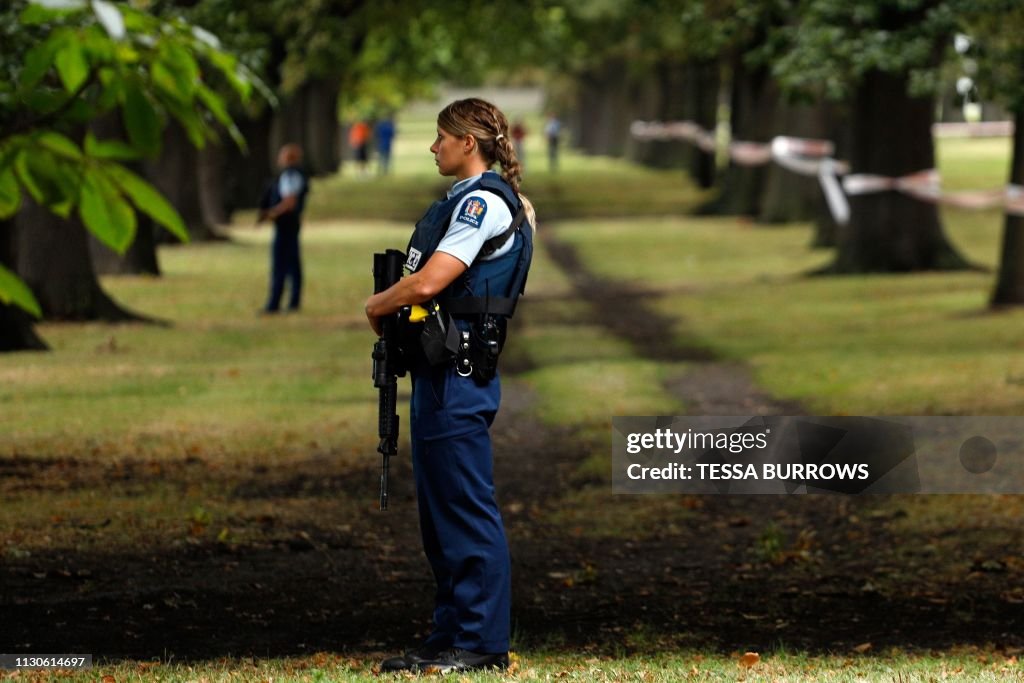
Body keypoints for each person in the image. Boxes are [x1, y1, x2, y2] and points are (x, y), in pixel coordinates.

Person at [365, 98, 535, 674]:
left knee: (464, 510)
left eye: (441, 137)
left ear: (469, 142)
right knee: (440, 517)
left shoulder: (482, 202)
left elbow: (433, 280)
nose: (433, 147)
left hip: (458, 378)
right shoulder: (475, 199)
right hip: (442, 373)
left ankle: (482, 643)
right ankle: (451, 635)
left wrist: (377, 303)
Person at [257, 143, 308, 313]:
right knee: (293, 264)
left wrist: (273, 213)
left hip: (285, 225)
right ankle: (293, 301)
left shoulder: (290, 175)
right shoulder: (297, 174)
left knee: (280, 265)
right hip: (292, 225)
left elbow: (290, 201)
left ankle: (274, 304)